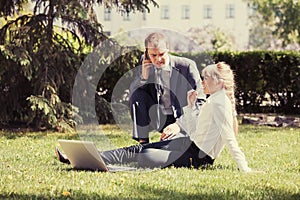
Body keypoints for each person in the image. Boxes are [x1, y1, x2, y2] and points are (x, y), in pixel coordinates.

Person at [56, 62, 252, 172]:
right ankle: (85, 158)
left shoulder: (220, 103)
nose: (202, 81)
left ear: (218, 82)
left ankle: (88, 162)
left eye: (205, 78)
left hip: (195, 157)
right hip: (187, 145)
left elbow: (229, 138)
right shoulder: (213, 100)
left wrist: (245, 169)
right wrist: (192, 107)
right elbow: (197, 130)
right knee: (138, 150)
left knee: (143, 157)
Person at [129, 32, 206, 144]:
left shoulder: (187, 66)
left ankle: (172, 139)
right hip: (158, 116)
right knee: (137, 95)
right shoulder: (145, 63)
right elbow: (133, 93)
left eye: (161, 54)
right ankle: (143, 143)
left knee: (169, 145)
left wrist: (179, 124)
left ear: (168, 49)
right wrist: (143, 78)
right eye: (153, 55)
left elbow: (200, 100)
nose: (158, 59)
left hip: (180, 117)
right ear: (147, 53)